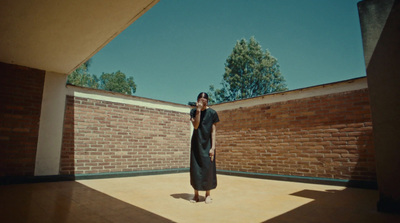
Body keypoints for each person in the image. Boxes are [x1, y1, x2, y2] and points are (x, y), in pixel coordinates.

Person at [189, 92, 220, 204]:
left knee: (208, 169)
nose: (202, 101)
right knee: (196, 169)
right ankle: (196, 195)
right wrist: (198, 110)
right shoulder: (193, 111)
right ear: (197, 100)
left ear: (207, 101)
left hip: (208, 144)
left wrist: (213, 148)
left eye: (204, 99)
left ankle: (208, 195)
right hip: (196, 145)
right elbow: (196, 126)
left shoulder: (212, 113)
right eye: (200, 99)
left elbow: (213, 131)